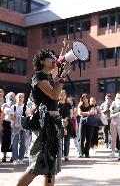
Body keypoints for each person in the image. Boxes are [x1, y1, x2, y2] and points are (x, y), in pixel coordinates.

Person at [16, 49, 70, 186]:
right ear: (41, 61)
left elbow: (58, 64)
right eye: (50, 57)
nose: (54, 59)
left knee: (51, 169)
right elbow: (54, 95)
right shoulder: (38, 77)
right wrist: (62, 77)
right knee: (36, 166)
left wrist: (64, 52)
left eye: (54, 57)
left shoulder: (48, 78)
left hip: (53, 124)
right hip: (45, 126)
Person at [10, 93, 27, 165]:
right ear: (16, 98)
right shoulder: (13, 107)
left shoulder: (25, 107)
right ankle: (15, 159)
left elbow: (27, 118)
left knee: (23, 143)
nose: (20, 98)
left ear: (23, 99)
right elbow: (12, 118)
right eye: (19, 97)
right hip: (15, 128)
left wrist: (17, 116)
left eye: (22, 97)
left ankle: (21, 158)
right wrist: (20, 117)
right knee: (15, 143)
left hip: (23, 128)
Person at [58, 89, 74, 161]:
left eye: (64, 94)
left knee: (67, 140)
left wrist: (67, 120)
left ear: (66, 96)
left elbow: (71, 114)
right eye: (61, 94)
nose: (62, 95)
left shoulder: (68, 104)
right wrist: (61, 120)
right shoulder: (56, 104)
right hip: (58, 123)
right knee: (59, 140)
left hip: (67, 123)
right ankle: (60, 155)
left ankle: (66, 155)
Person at [78, 94, 94, 158]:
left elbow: (92, 113)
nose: (85, 99)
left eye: (86, 98)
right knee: (82, 138)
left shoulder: (91, 106)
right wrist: (88, 113)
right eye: (83, 98)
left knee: (88, 139)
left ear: (88, 99)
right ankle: (81, 153)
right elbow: (79, 113)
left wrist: (84, 113)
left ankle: (87, 153)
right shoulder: (80, 105)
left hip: (90, 123)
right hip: (82, 123)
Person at [1, 92, 15, 163]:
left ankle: (12, 156)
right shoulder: (4, 105)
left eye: (12, 96)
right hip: (5, 123)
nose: (11, 97)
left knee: (12, 140)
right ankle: (4, 156)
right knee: (4, 140)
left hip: (13, 124)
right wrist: (1, 124)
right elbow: (2, 115)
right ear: (7, 97)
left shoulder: (15, 105)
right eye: (10, 96)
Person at [108, 93, 120, 158]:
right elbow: (111, 115)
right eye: (117, 97)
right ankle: (113, 152)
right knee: (113, 138)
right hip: (113, 122)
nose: (118, 99)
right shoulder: (113, 105)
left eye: (119, 98)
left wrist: (115, 114)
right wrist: (116, 114)